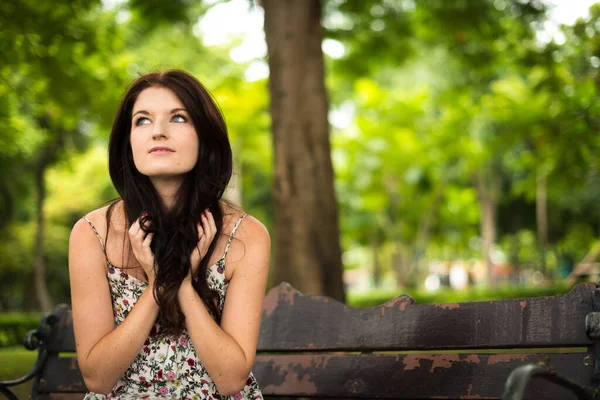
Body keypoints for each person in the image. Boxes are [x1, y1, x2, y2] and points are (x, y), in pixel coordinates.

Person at [68, 70, 270, 400]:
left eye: (178, 118)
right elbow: (98, 379)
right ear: (127, 141)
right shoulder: (91, 234)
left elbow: (232, 380)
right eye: (142, 121)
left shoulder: (245, 235)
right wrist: (157, 286)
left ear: (204, 136)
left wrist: (185, 287)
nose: (158, 132)